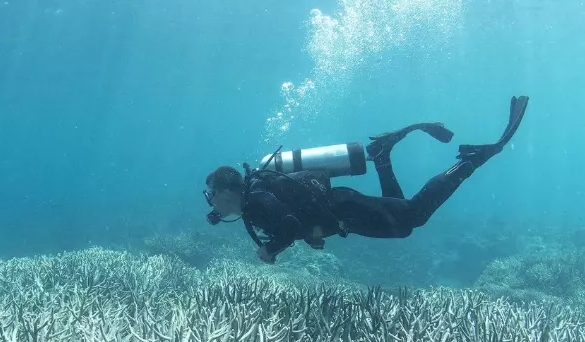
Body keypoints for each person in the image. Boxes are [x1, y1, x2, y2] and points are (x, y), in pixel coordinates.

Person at [203, 95, 529, 263]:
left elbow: (288, 225)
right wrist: (307, 236)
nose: (211, 202)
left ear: (226, 190)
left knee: (412, 217)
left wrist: (270, 249)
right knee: (402, 217)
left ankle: (470, 162)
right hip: (343, 211)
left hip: (346, 209)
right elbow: (296, 219)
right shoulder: (254, 201)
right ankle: (382, 156)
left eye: (211, 194)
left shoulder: (257, 200)